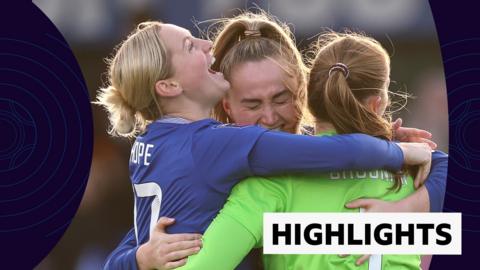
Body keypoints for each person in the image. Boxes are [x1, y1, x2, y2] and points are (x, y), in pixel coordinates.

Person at [100, 15, 438, 270]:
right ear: (226, 106)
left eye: (281, 98)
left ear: (302, 91)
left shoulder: (265, 185)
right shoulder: (235, 164)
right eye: (252, 104)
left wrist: (400, 207)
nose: (270, 117)